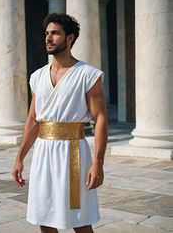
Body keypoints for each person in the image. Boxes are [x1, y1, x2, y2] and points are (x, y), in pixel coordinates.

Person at [12, 13, 108, 233]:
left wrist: (98, 162)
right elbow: (33, 120)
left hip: (74, 152)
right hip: (43, 151)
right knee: (44, 216)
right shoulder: (37, 76)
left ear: (70, 38)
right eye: (47, 33)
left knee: (79, 219)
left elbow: (100, 118)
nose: (48, 38)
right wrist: (19, 158)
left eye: (55, 33)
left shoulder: (88, 74)